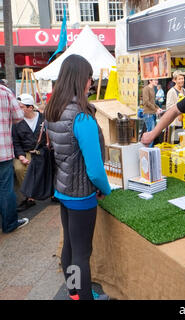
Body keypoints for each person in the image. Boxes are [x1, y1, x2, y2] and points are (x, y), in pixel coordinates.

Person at [44, 54, 111, 300]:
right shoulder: (81, 116)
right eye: (89, 77)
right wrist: (106, 188)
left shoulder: (53, 110)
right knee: (82, 252)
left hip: (62, 189)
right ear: (80, 79)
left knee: (70, 247)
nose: (91, 83)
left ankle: (74, 292)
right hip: (81, 194)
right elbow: (94, 168)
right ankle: (84, 298)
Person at [0, 81, 29, 233]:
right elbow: (19, 116)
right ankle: (9, 224)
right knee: (5, 189)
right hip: (3, 151)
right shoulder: (4, 92)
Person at [12, 93, 45, 212]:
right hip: (25, 152)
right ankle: (29, 197)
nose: (18, 109)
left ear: (30, 107)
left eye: (21, 107)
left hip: (42, 151)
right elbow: (15, 142)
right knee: (19, 168)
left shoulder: (43, 118)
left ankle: (53, 192)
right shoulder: (16, 122)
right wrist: (21, 157)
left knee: (53, 161)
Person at [165, 70, 185, 143]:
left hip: (184, 123)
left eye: (182, 78)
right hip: (175, 123)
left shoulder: (184, 90)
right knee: (175, 144)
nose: (182, 80)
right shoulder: (171, 91)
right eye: (179, 79)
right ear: (174, 80)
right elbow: (169, 107)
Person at [142, 79, 163, 146]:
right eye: (155, 80)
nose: (157, 81)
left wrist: (158, 108)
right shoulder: (146, 89)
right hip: (148, 114)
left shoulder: (153, 89)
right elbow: (146, 102)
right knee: (151, 134)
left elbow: (152, 102)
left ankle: (148, 150)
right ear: (150, 81)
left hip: (152, 113)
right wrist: (155, 109)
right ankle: (148, 150)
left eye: (157, 80)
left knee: (152, 133)